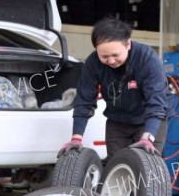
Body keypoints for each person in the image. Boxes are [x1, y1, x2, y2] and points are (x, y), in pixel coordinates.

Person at [58, 18, 168, 159]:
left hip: (147, 119)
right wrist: (76, 138)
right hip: (117, 122)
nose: (110, 61)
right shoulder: (92, 63)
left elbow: (156, 103)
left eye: (115, 55)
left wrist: (147, 137)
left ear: (128, 44)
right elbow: (84, 100)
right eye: (104, 56)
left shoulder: (147, 59)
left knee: (146, 165)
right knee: (116, 166)